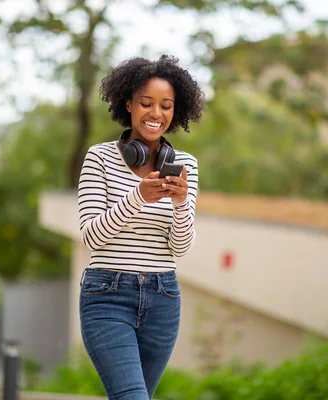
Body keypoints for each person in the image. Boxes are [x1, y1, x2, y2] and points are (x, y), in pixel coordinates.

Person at [77, 54, 204, 400]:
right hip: (107, 295)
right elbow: (90, 236)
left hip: (163, 298)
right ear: (129, 104)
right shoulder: (99, 157)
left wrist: (179, 203)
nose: (156, 114)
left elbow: (180, 248)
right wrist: (138, 197)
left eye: (166, 106)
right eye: (146, 103)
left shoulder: (184, 166)